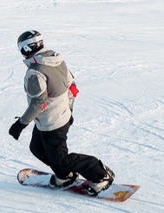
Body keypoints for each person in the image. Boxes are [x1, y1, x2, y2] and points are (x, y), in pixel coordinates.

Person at [8, 30, 114, 195]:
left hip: (53, 122)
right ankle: (65, 175)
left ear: (26, 49)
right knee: (37, 148)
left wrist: (20, 124)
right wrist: (67, 108)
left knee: (61, 159)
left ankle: (101, 174)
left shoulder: (35, 72)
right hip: (50, 118)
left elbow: (38, 103)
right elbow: (72, 87)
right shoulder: (55, 59)